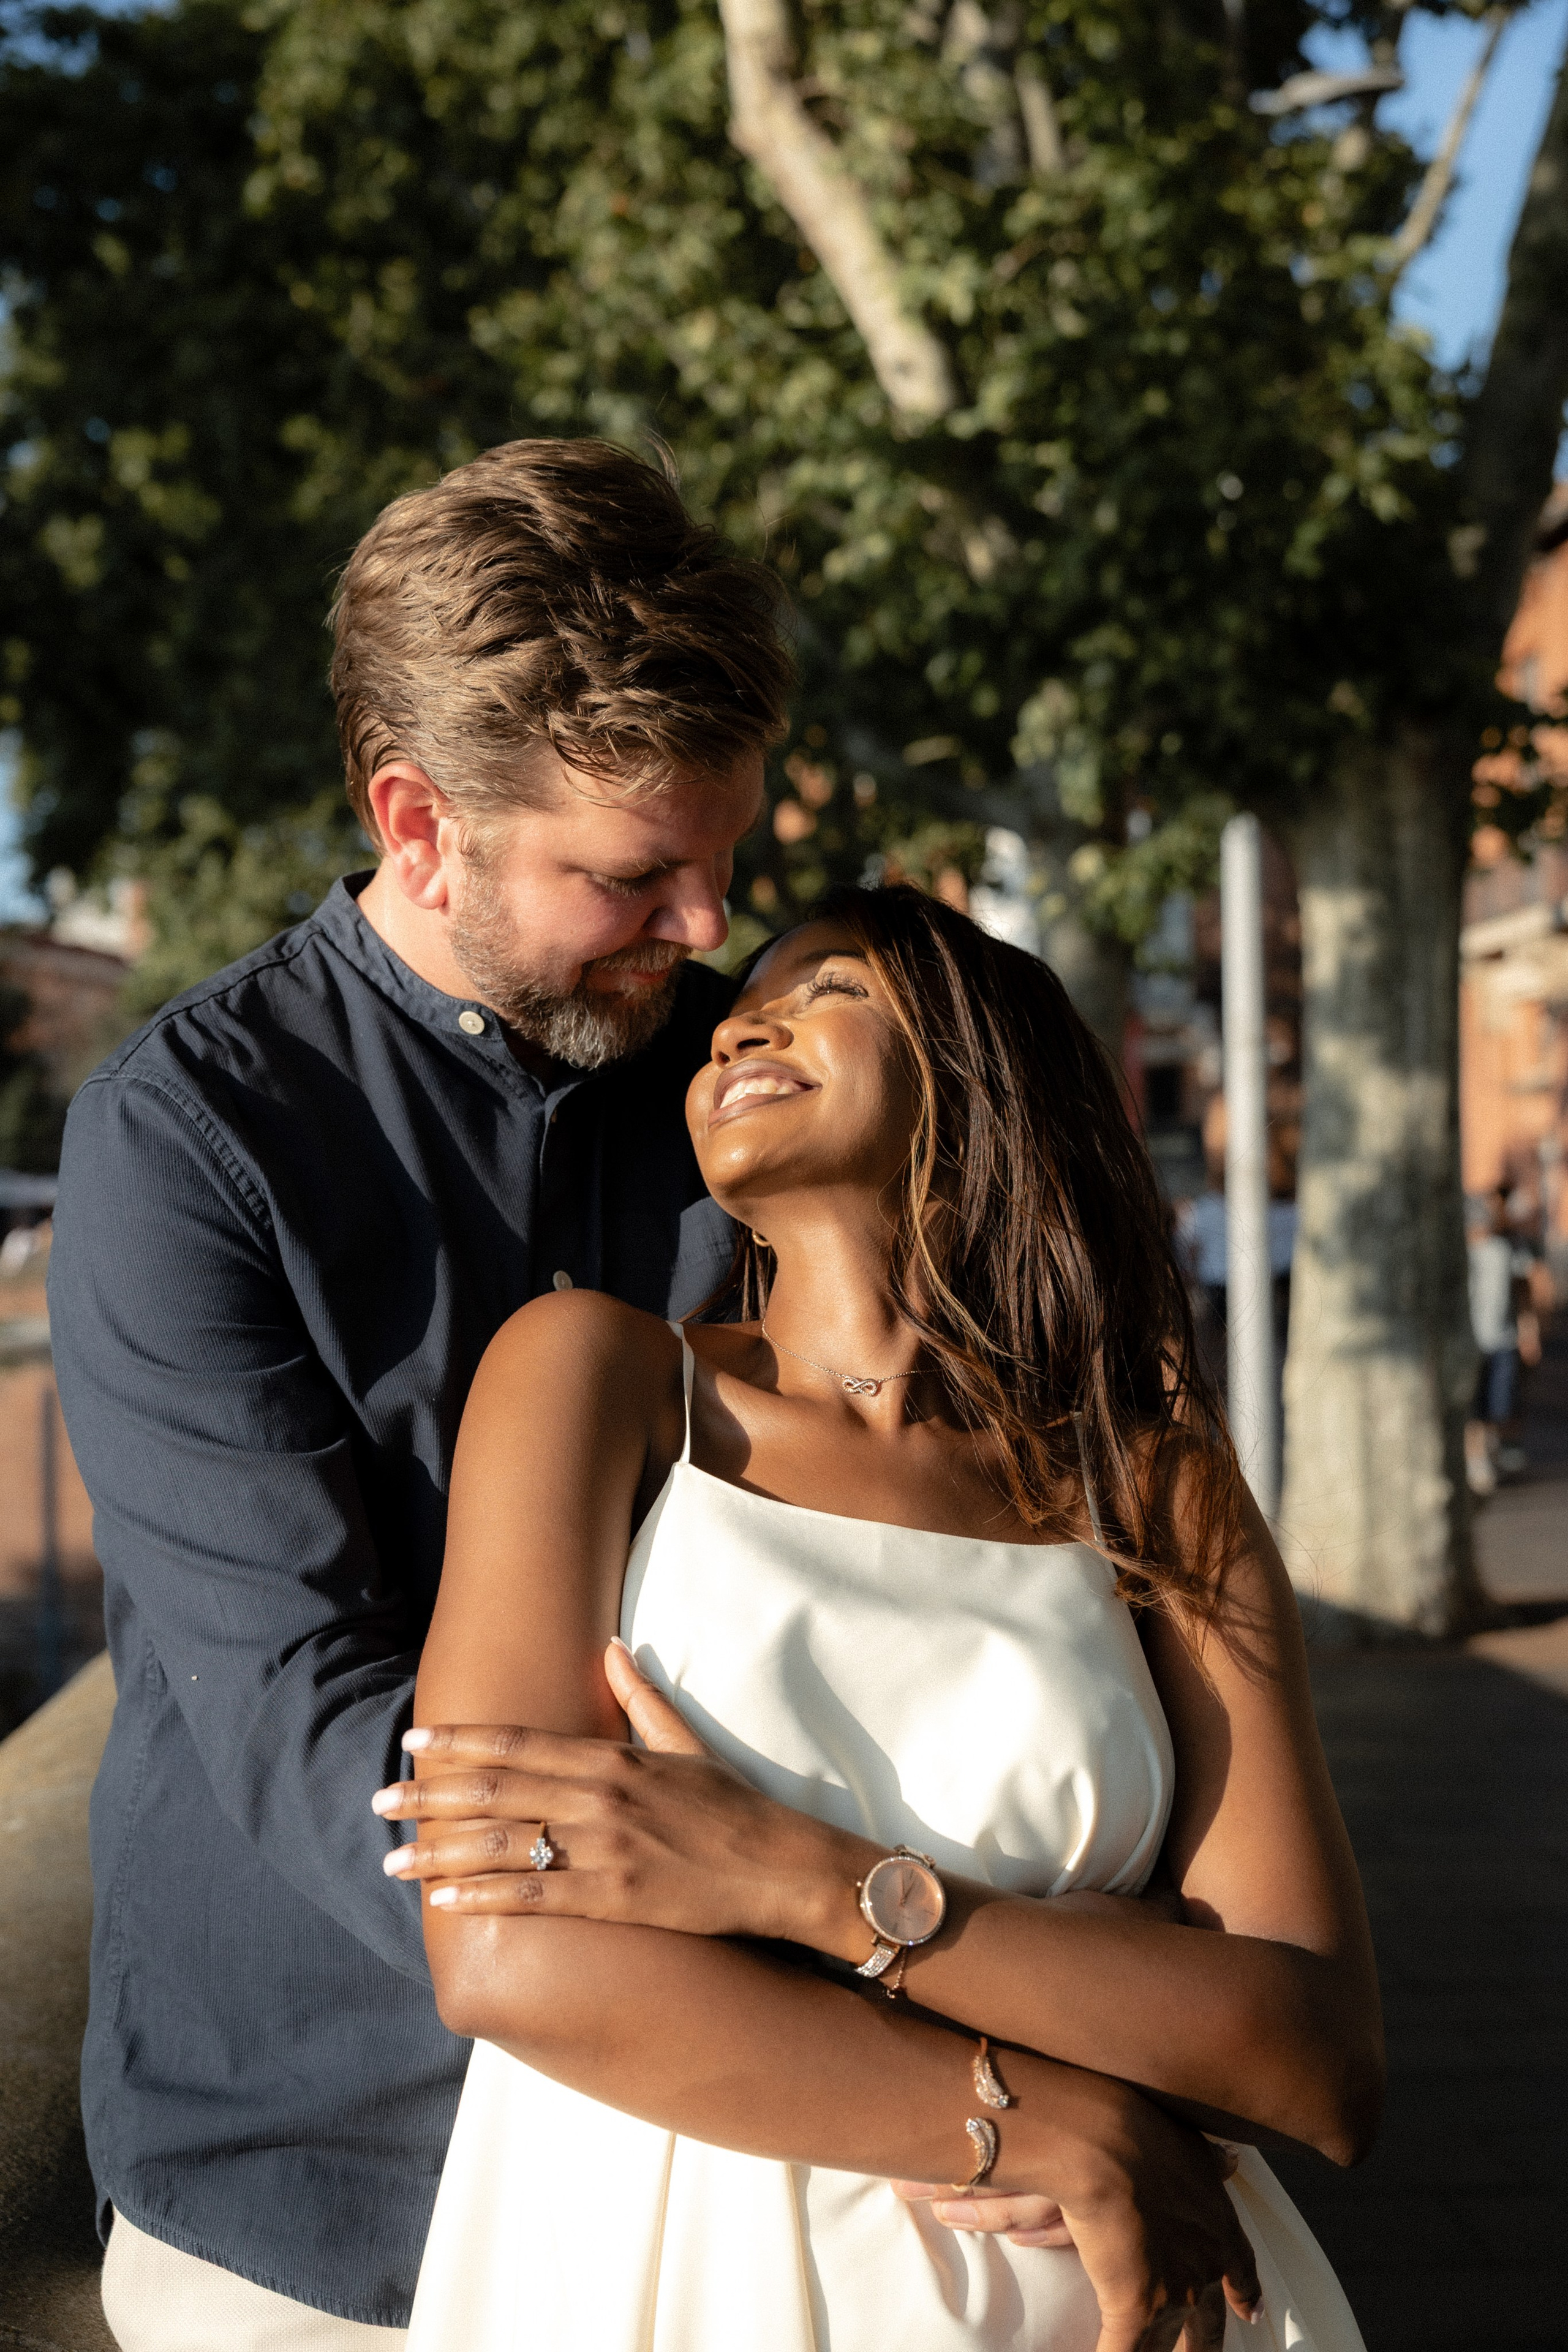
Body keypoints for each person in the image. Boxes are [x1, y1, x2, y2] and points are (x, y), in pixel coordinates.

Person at [381, 886, 1382, 2352]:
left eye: (829, 988)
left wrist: (797, 1881)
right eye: (734, 1017)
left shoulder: (1148, 1487)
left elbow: (1313, 2056)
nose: (740, 1024)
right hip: (678, 2260)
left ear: (979, 1081)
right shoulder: (596, 1380)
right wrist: (1042, 2104)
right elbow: (501, 1955)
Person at [47, 439, 793, 2347]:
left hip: (739, 2167)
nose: (708, 929)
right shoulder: (190, 1140)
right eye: (633, 876)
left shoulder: (759, 1090)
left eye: (728, 859)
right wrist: (782, 1917)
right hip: (327, 2188)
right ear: (417, 817)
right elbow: (303, 1707)